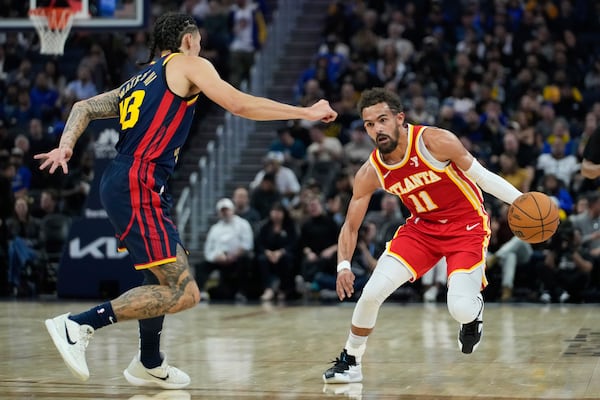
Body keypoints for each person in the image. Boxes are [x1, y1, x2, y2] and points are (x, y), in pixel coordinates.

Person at [34, 12, 336, 388]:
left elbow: (83, 108)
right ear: (189, 39)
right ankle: (78, 325)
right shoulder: (189, 63)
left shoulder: (139, 80)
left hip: (129, 180)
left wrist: (65, 148)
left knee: (155, 274)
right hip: (138, 180)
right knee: (184, 291)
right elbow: (239, 105)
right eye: (200, 40)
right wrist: (305, 112)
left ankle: (148, 361)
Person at [322, 88, 522, 384]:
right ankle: (351, 359)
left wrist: (521, 200)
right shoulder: (370, 171)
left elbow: (481, 176)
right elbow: (351, 226)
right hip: (422, 229)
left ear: (399, 119)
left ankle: (473, 314)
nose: (377, 129)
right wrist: (343, 266)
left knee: (460, 307)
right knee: (371, 292)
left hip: (465, 226)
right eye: (369, 124)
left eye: (382, 120)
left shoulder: (435, 141)